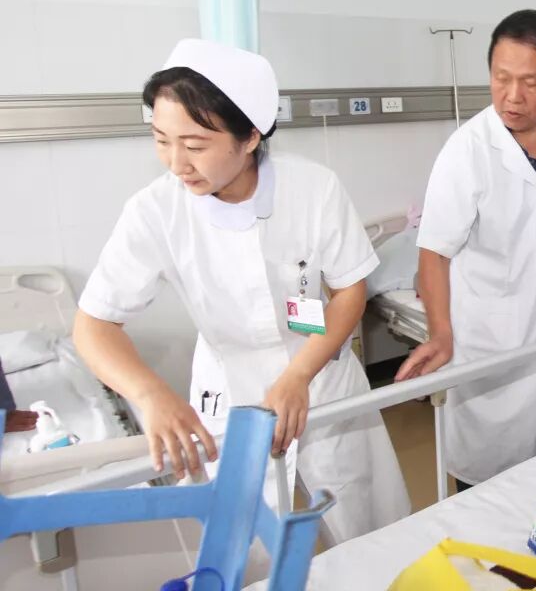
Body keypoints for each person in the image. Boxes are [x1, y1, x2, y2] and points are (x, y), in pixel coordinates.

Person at [73, 39, 410, 542]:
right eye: (161, 139)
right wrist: (151, 394)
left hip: (320, 372)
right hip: (229, 389)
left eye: (194, 145)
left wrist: (299, 373)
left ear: (250, 136)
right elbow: (94, 324)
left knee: (366, 521)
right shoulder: (155, 210)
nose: (175, 162)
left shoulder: (313, 188)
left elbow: (349, 292)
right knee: (243, 544)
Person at [394, 9, 536, 491]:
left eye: (530, 82)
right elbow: (433, 253)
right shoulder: (467, 151)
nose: (512, 96)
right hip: (489, 341)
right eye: (501, 78)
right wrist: (440, 333)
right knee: (487, 486)